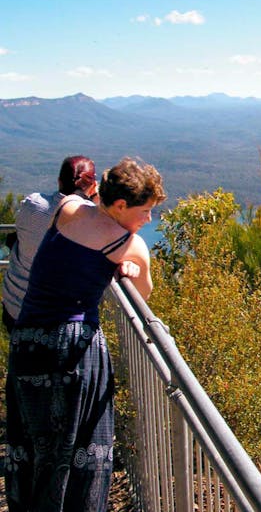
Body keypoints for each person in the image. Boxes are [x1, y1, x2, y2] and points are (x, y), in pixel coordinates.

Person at [4, 157, 166, 512]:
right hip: (73, 350)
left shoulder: (68, 207)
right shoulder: (129, 244)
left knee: (34, 439)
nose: (149, 220)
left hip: (27, 339)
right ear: (121, 205)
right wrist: (130, 264)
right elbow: (144, 293)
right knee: (79, 445)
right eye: (146, 211)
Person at [1, 155, 99, 332]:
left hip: (14, 306)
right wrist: (93, 202)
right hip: (56, 320)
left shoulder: (32, 204)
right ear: (92, 186)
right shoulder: (91, 220)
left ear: (59, 181)